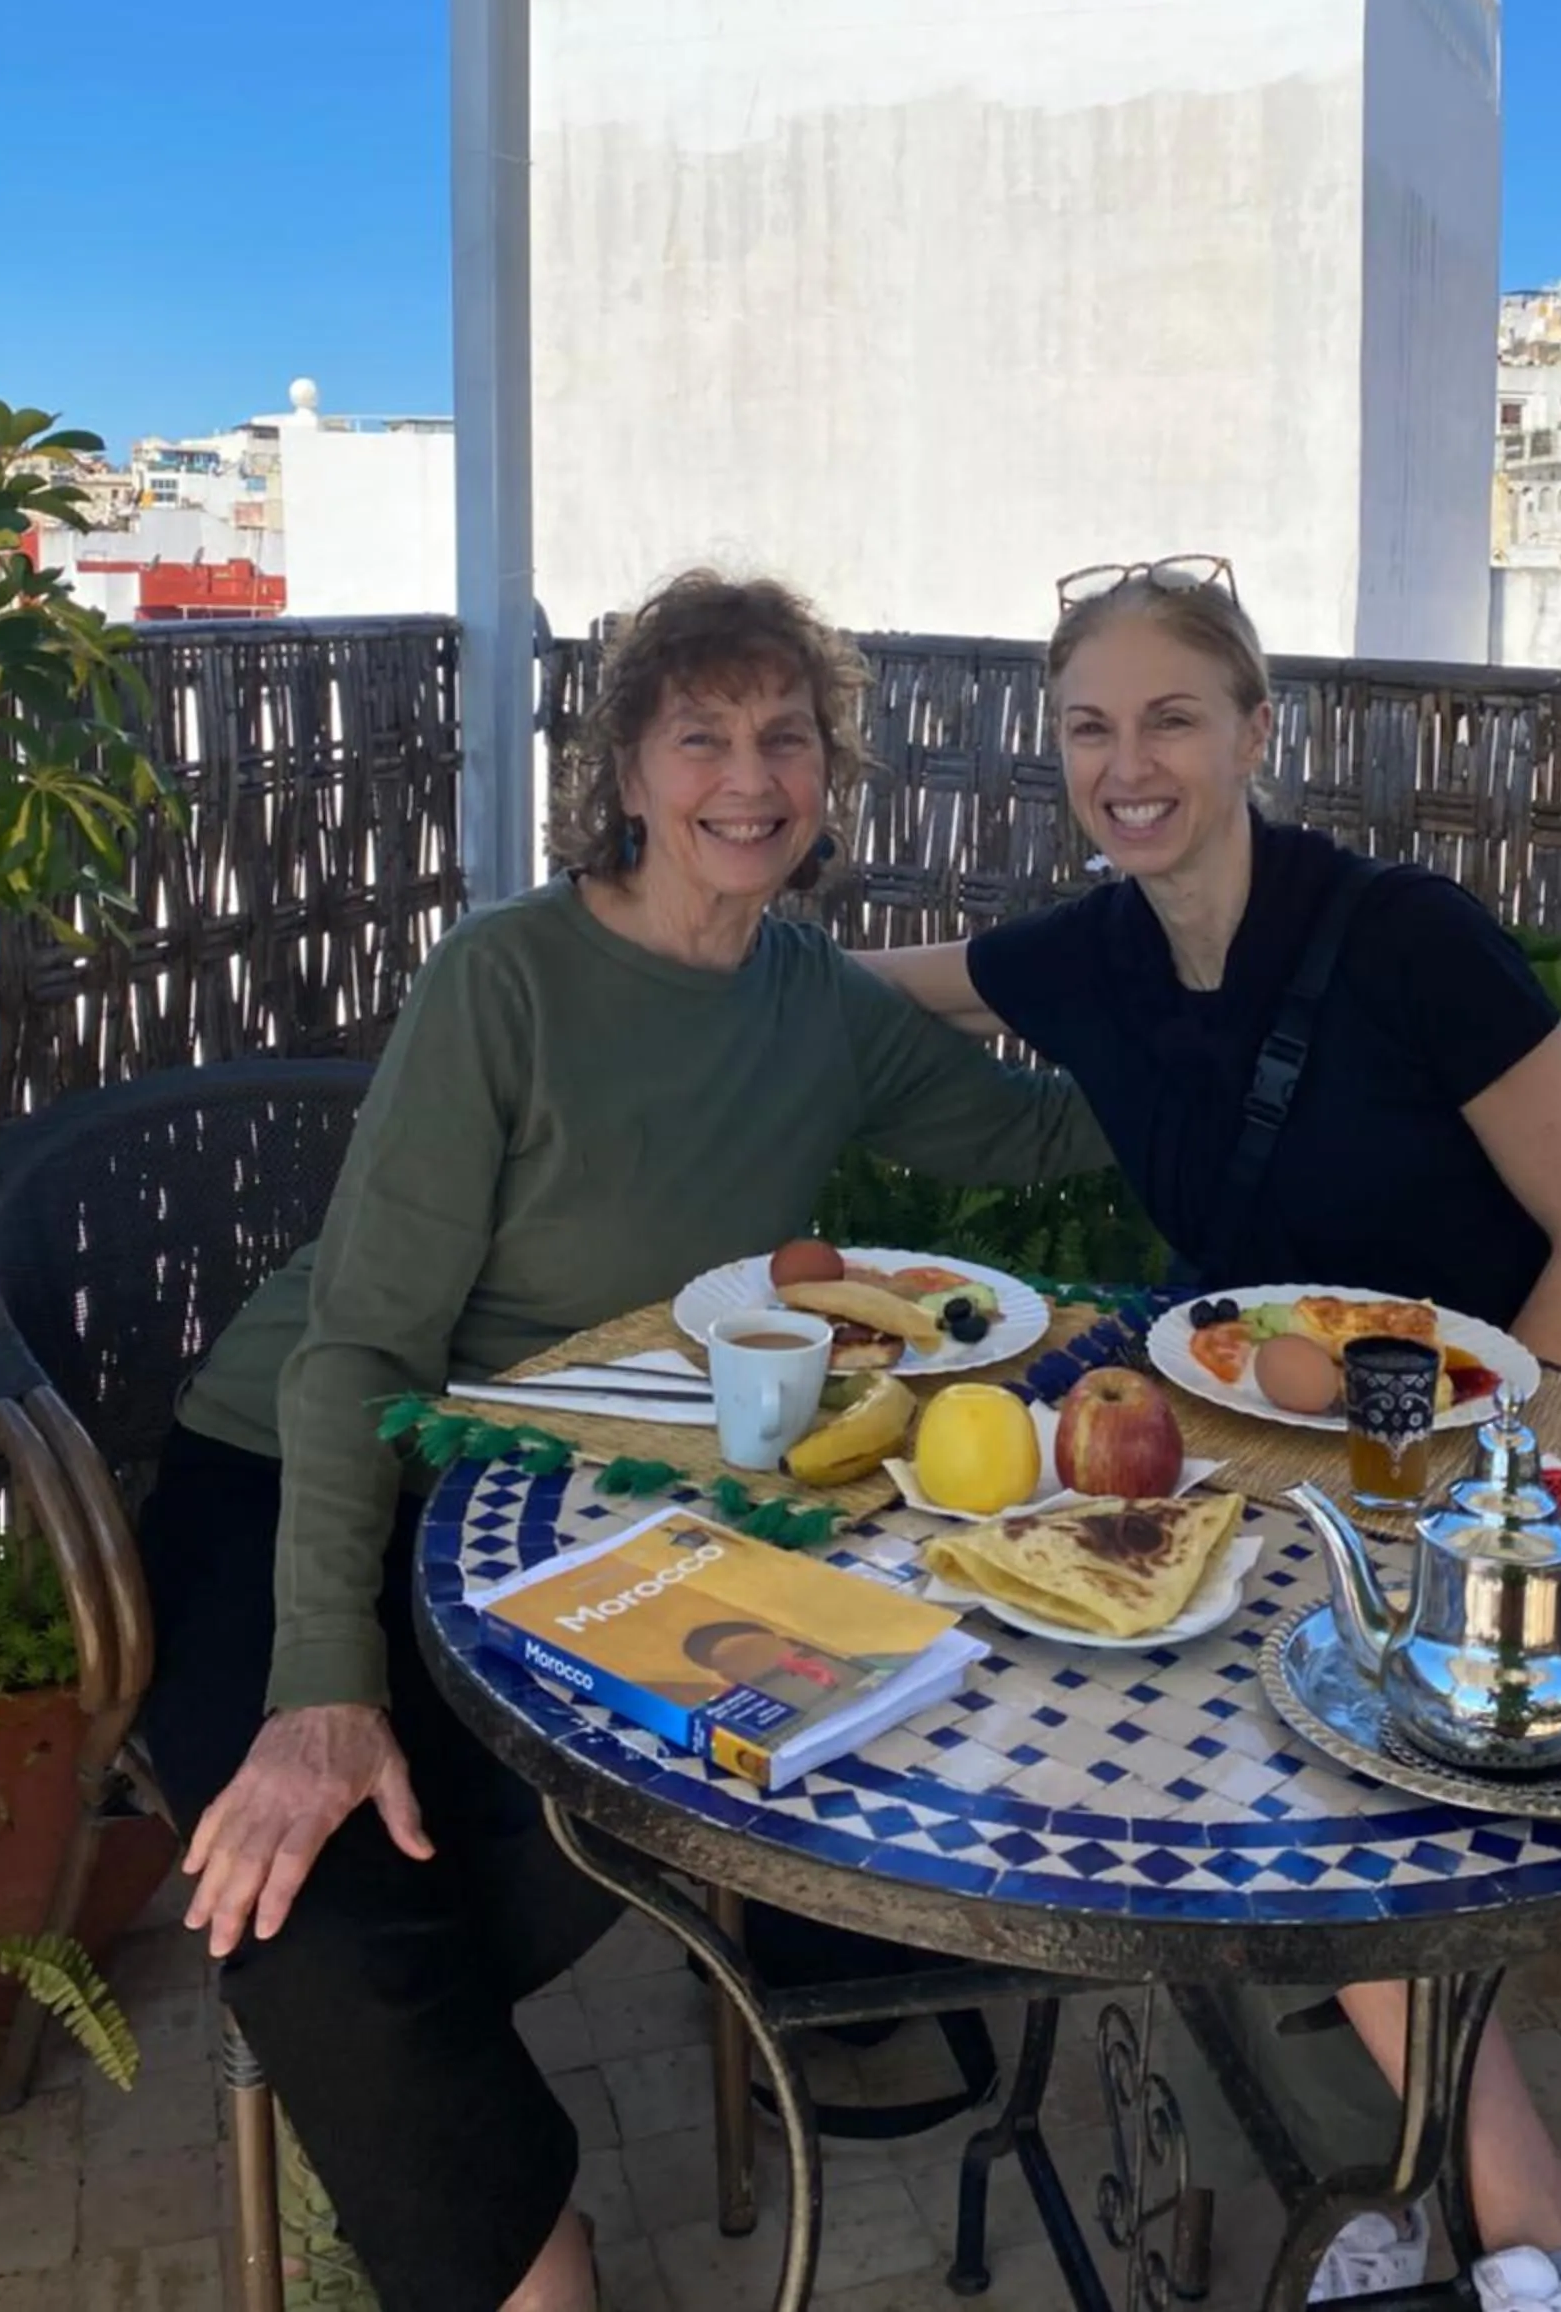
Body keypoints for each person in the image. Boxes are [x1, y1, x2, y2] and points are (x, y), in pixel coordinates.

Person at [135, 569, 1110, 2312]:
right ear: (628, 773)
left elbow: (1045, 1138)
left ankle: (396, 2141)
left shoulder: (816, 1004)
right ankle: (536, 2266)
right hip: (299, 1466)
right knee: (312, 1900)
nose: (749, 777)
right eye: (701, 737)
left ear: (827, 777)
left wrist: (1212, 988)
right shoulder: (503, 980)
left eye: (786, 739)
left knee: (595, 1815)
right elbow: (359, 1347)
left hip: (560, 1508)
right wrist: (319, 1686)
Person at [865, 558, 1561, 2312]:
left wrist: (1461, 1500)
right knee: (1086, 1653)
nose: (1127, 765)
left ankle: (1546, 2233)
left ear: (1254, 730)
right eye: (1088, 728)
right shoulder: (1092, 955)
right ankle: (1385, 2165)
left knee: (1316, 1737)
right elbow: (878, 987)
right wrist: (680, 935)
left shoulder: (1404, 940)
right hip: (1271, 1460)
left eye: (1170, 718)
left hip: (1505, 1480)